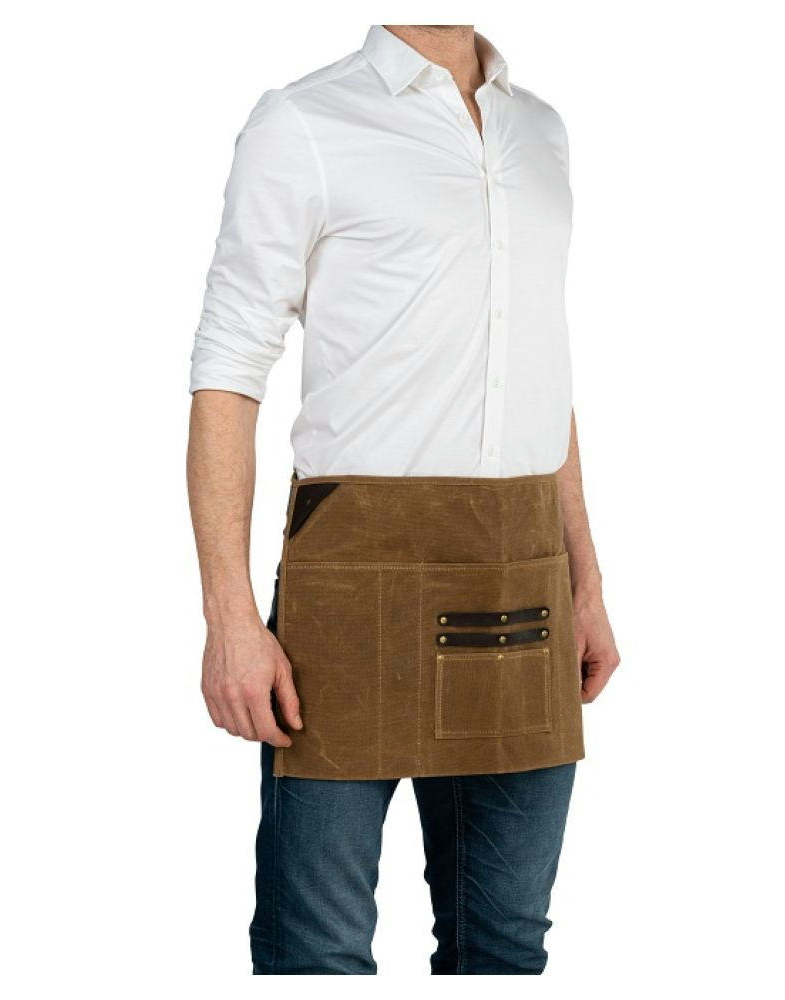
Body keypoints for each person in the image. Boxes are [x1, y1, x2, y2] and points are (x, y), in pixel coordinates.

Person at [186, 24, 620, 975]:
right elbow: (227, 370)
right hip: (352, 588)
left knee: (504, 948)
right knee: (317, 952)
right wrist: (229, 618)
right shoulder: (303, 121)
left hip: (524, 580)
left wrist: (586, 582)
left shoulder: (540, 131)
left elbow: (542, 373)